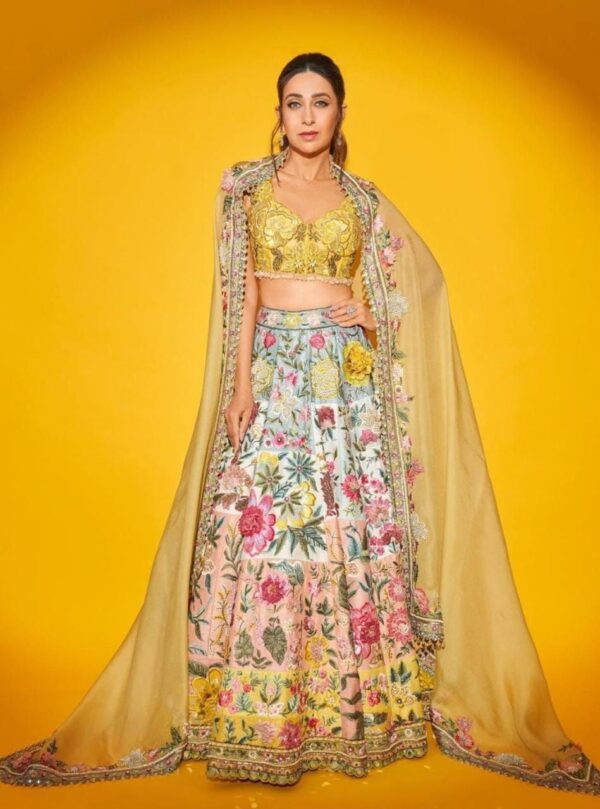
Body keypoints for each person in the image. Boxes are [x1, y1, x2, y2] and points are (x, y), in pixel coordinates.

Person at [0, 52, 598, 795]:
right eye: (294, 102)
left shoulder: (363, 199)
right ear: (278, 113)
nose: (307, 115)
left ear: (341, 112)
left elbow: (422, 285)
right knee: (267, 532)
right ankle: (256, 713)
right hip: (274, 373)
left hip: (343, 380)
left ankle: (348, 714)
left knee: (349, 533)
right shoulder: (246, 189)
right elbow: (241, 295)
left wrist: (369, 311)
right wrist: (239, 385)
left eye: (321, 101)